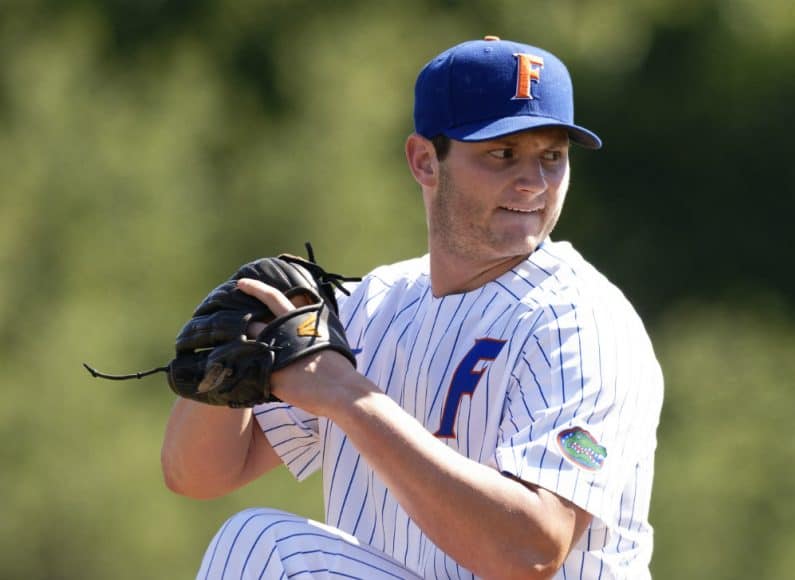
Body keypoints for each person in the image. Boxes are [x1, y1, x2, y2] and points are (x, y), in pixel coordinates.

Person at [161, 36, 664, 579]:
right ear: (425, 160)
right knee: (253, 543)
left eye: (552, 157)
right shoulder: (371, 306)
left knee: (268, 548)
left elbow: (533, 552)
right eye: (502, 153)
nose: (533, 181)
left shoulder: (581, 323)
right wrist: (232, 354)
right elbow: (199, 475)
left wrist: (351, 400)